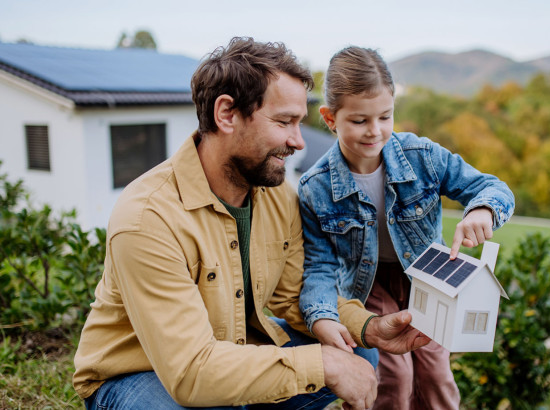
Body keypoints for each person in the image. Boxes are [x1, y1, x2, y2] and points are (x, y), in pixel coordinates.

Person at [72, 37, 431, 410]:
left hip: (234, 352)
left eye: (299, 123)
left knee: (357, 353)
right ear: (226, 114)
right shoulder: (147, 217)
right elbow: (191, 371)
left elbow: (295, 294)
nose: (298, 142)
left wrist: (368, 327)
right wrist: (321, 364)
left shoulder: (277, 194)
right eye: (284, 122)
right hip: (143, 375)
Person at [297, 46, 515, 410]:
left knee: (436, 376)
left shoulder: (422, 157)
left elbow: (493, 188)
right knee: (394, 379)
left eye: (385, 117)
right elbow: (319, 265)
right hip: (367, 286)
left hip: (427, 278)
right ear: (330, 117)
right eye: (359, 120)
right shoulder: (315, 188)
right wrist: (321, 315)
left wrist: (483, 210)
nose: (375, 131)